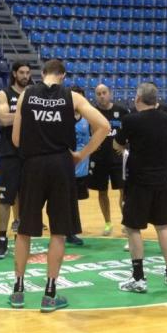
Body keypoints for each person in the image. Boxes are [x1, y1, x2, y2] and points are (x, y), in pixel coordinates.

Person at [8, 59, 109, 313]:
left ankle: (18, 290)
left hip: (32, 165)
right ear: (62, 76)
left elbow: (16, 139)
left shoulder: (26, 95)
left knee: (24, 230)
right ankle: (50, 294)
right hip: (61, 165)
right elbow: (104, 127)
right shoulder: (72, 97)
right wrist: (81, 154)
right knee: (58, 232)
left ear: (42, 74)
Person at [113, 83, 167, 293]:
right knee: (163, 227)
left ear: (138, 99)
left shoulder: (130, 120)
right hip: (162, 179)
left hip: (138, 181)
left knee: (133, 228)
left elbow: (117, 145)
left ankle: (139, 278)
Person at [0, 61, 31, 259]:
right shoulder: (4, 93)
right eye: (22, 72)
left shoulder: (33, 92)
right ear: (15, 74)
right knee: (5, 199)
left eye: (27, 72)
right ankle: (1, 239)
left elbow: (11, 117)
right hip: (9, 153)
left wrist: (15, 115)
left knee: (25, 198)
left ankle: (21, 237)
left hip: (29, 154)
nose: (25, 75)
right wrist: (27, 114)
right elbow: (3, 119)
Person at [89, 84, 129, 235]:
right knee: (102, 192)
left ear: (110, 93)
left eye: (104, 92)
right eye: (98, 93)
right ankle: (107, 223)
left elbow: (129, 132)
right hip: (99, 158)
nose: (101, 96)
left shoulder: (122, 111)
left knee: (123, 192)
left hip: (118, 159)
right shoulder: (92, 112)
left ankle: (126, 222)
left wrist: (126, 147)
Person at [69, 85, 89, 246]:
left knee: (74, 201)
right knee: (63, 201)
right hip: (65, 167)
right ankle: (66, 231)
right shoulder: (62, 116)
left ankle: (71, 231)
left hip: (81, 167)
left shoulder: (87, 119)